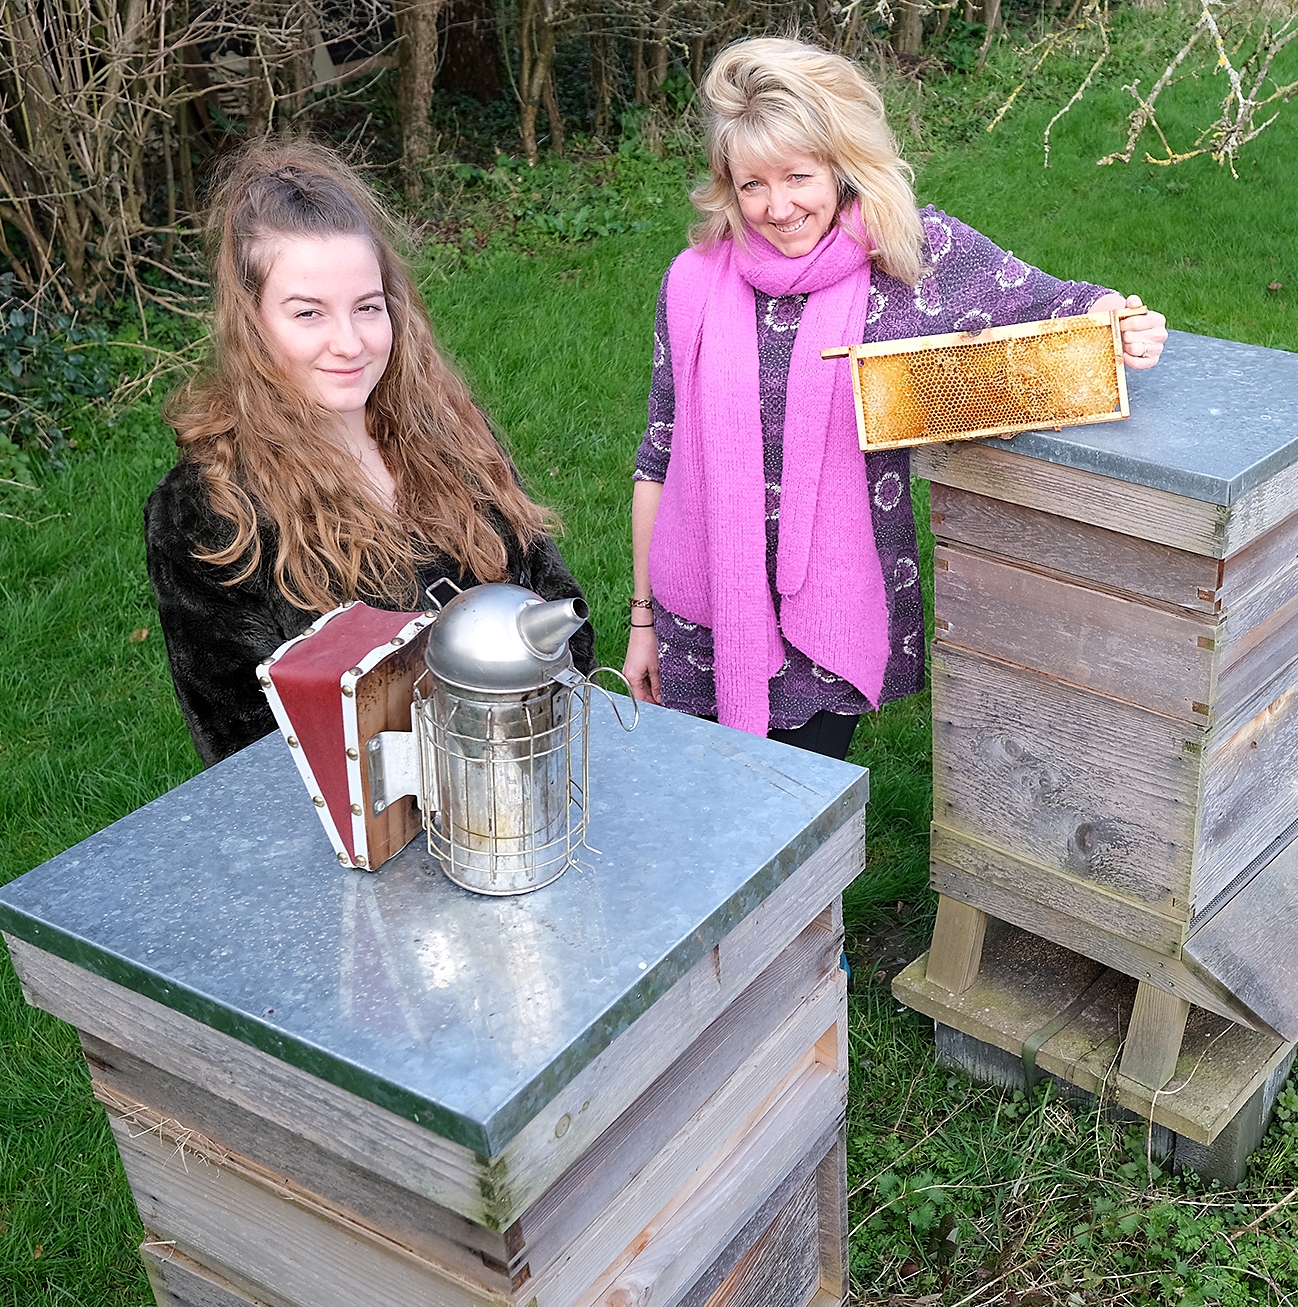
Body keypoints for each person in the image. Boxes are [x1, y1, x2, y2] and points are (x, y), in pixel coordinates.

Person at [622, 37, 1167, 760]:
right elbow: (658, 454)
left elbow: (1055, 302)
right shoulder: (692, 282)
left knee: (794, 826)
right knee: (707, 819)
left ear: (843, 164)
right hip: (703, 613)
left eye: (798, 176)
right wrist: (642, 621)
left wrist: (1120, 320)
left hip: (826, 616)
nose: (778, 207)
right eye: (752, 184)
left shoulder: (910, 258)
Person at [146, 140, 593, 767]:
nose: (349, 343)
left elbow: (561, 618)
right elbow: (248, 756)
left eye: (367, 308)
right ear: (251, 323)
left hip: (521, 787)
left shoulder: (448, 434)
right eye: (308, 314)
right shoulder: (209, 511)